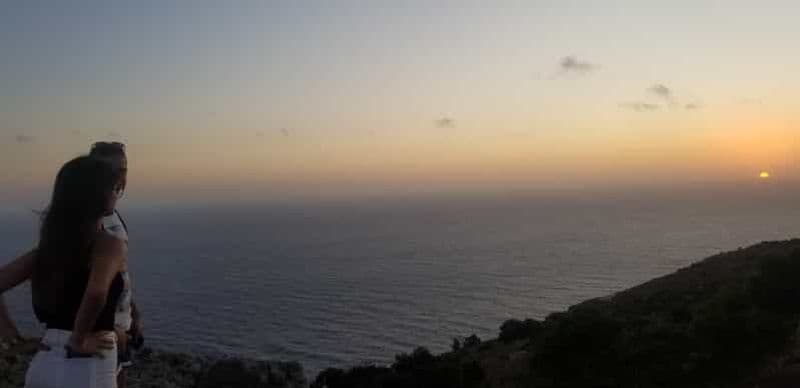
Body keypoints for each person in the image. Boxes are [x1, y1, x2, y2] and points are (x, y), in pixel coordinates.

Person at [0, 155, 127, 387]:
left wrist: (12, 337)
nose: (117, 194)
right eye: (115, 188)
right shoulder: (109, 244)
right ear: (96, 194)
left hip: (44, 364)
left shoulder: (48, 250)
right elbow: (96, 292)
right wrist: (78, 340)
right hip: (88, 367)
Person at [89, 141, 143, 388]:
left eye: (123, 168)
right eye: (113, 169)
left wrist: (134, 314)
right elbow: (89, 282)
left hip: (121, 323)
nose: (121, 175)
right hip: (101, 329)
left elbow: (120, 272)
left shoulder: (113, 214)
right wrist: (110, 326)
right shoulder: (87, 219)